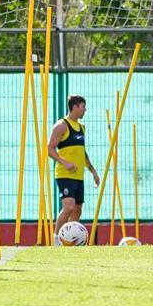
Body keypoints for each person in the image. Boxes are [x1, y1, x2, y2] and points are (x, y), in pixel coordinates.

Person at [48, 95, 102, 232]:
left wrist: (93, 171)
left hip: (78, 175)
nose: (85, 110)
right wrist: (64, 162)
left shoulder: (81, 128)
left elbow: (82, 152)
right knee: (69, 207)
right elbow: (49, 149)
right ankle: (56, 239)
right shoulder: (61, 126)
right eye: (83, 107)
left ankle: (70, 239)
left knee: (77, 210)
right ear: (75, 107)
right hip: (64, 174)